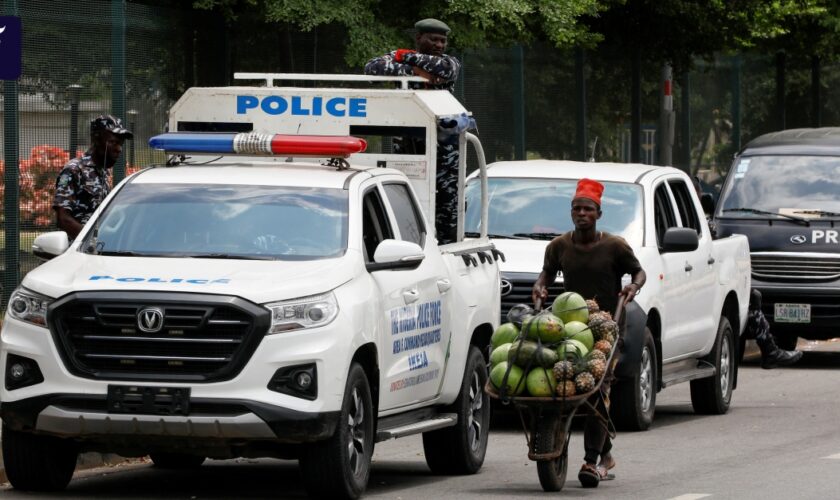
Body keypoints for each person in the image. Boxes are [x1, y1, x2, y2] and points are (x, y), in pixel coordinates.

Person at [531, 178, 646, 488]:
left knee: (597, 390)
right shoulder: (559, 246)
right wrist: (541, 285)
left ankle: (591, 461)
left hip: (607, 331)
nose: (581, 214)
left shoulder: (615, 246)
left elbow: (639, 271)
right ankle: (605, 454)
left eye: (588, 209)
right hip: (571, 329)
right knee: (569, 387)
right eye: (576, 209)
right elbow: (547, 273)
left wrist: (633, 287)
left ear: (599, 214)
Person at [364, 19, 462, 244]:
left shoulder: (450, 62)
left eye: (443, 41)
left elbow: (445, 70)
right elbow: (372, 69)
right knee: (405, 193)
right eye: (433, 39)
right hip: (409, 142)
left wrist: (403, 57)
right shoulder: (404, 59)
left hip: (444, 145)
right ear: (419, 38)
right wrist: (415, 71)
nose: (439, 45)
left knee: (447, 200)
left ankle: (446, 245)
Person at [691, 175, 802, 369]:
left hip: (700, 280)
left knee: (752, 297)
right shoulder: (689, 218)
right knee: (750, 299)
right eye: (698, 194)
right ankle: (769, 350)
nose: (700, 198)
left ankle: (770, 350)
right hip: (693, 284)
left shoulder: (693, 217)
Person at [53, 114, 133, 240]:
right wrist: (90, 242)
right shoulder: (74, 170)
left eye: (120, 143)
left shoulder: (103, 172)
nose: (119, 149)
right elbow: (63, 219)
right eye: (113, 142)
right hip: (78, 254)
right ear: (96, 139)